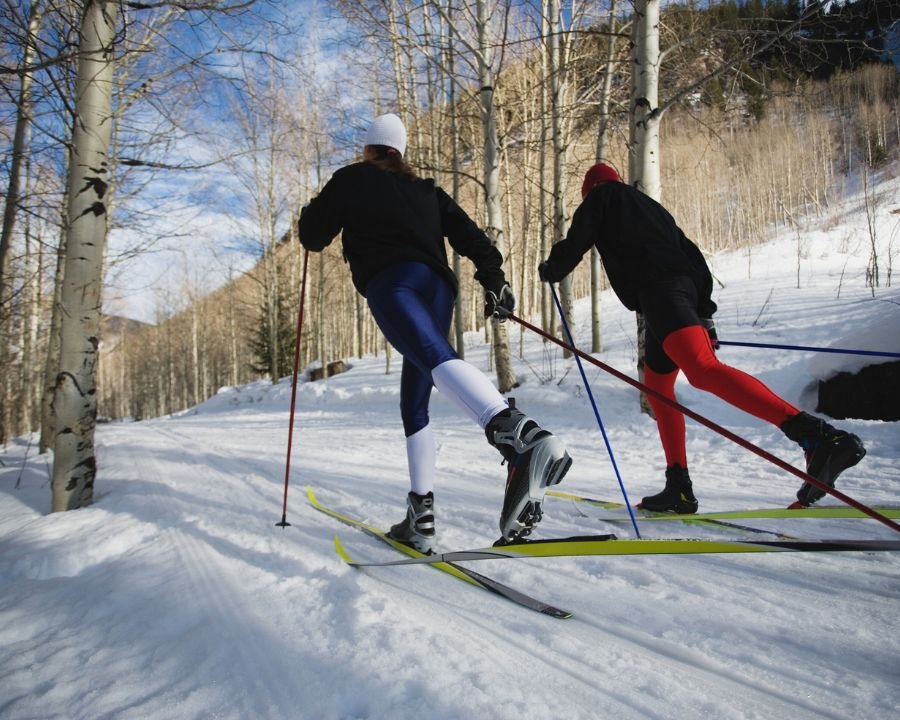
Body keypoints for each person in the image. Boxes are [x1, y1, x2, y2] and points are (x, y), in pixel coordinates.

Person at [299, 113, 571, 550]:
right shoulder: (426, 191)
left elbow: (313, 237)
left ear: (369, 149)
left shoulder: (352, 179)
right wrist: (494, 279)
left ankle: (520, 437)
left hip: (393, 282)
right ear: (400, 151)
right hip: (437, 290)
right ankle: (419, 517)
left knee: (432, 355)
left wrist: (310, 213)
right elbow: (473, 238)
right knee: (415, 402)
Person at [538, 162, 865, 512]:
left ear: (590, 190)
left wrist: (554, 268)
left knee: (702, 368)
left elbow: (578, 238)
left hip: (661, 290)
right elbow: (694, 257)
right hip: (675, 293)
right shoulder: (653, 208)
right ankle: (678, 485)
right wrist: (704, 314)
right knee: (657, 387)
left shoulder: (603, 196)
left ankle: (817, 436)